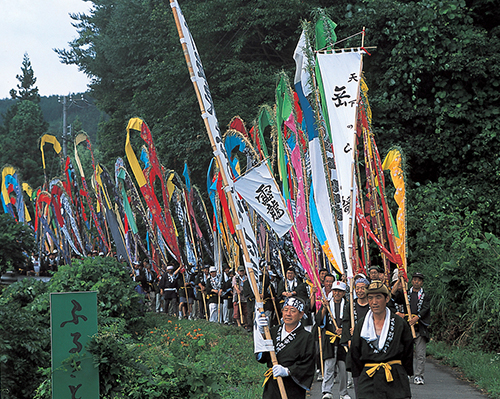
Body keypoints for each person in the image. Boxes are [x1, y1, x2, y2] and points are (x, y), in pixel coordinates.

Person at [350, 280, 413, 399]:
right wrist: (360, 374)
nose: (374, 302)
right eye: (370, 298)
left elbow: (408, 351)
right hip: (369, 377)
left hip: (394, 376)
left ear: (387, 299)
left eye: (378, 297)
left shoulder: (399, 323)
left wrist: (403, 372)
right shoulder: (361, 325)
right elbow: (355, 352)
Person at [255, 296, 315, 399]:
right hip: (272, 387)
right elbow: (263, 357)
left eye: (293, 311)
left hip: (292, 387)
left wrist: (287, 371)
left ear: (301, 315)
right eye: (286, 310)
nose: (288, 314)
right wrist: (260, 334)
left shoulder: (306, 337)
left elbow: (308, 363)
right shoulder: (272, 332)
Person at [393, 271, 431, 385]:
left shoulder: (425, 295)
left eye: (419, 280)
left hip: (420, 329)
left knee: (420, 354)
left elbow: (425, 309)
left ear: (422, 282)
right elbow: (393, 295)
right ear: (412, 281)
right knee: (405, 353)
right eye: (414, 279)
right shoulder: (405, 293)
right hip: (407, 328)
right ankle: (407, 373)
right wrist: (400, 280)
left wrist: (417, 318)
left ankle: (419, 376)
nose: (416, 282)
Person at [316, 275, 350, 399]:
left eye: (340, 291)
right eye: (335, 291)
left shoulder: (348, 306)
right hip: (330, 340)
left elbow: (351, 322)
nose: (337, 293)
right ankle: (327, 391)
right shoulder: (327, 304)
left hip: (343, 340)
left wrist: (344, 330)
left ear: (343, 293)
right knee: (329, 366)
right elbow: (318, 322)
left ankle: (343, 393)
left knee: (343, 368)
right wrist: (324, 309)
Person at [342, 277, 370, 397]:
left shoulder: (372, 305)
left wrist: (359, 329)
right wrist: (348, 339)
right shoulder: (350, 305)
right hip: (355, 344)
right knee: (357, 374)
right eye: (357, 288)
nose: (359, 291)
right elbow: (346, 322)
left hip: (369, 343)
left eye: (362, 288)